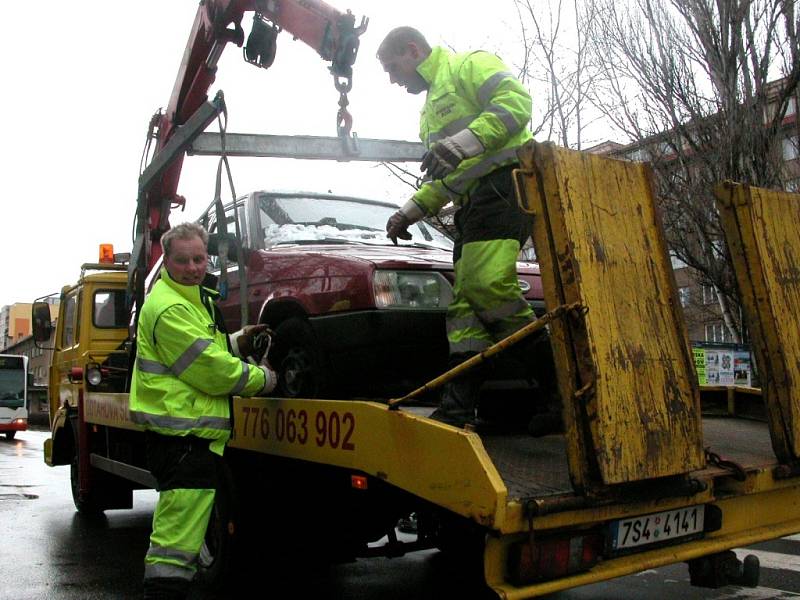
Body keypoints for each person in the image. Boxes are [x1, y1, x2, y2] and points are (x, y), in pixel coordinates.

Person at [378, 26, 559, 433]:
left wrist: (464, 143)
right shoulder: (427, 114)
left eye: (393, 68)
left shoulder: (467, 66)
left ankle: (560, 388)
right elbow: (448, 177)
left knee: (486, 287)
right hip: (474, 205)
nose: (393, 79)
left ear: (413, 50)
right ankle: (458, 410)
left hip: (506, 186)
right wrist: (409, 212)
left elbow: (516, 102)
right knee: (465, 313)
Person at [130, 222, 277, 599]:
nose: (194, 267)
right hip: (183, 443)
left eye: (199, 258)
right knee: (173, 551)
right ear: (166, 260)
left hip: (190, 442)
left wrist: (236, 341)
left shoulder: (189, 299)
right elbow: (211, 371)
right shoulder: (169, 307)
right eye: (183, 260)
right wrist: (263, 379)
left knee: (180, 546)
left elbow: (204, 350)